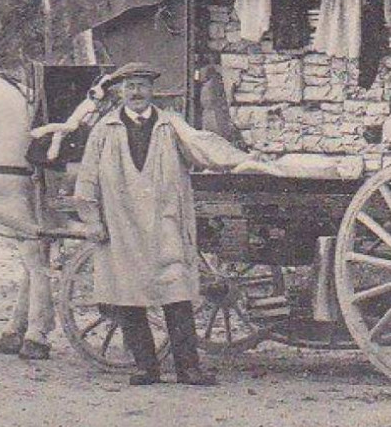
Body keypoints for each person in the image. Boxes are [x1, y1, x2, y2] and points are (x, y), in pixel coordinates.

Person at [74, 63, 275, 386]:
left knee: (177, 296)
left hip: (165, 221)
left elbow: (201, 145)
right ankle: (145, 367)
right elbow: (87, 179)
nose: (136, 92)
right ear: (120, 92)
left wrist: (241, 160)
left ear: (152, 91)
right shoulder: (104, 130)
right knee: (129, 298)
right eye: (130, 87)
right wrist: (93, 220)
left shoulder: (170, 126)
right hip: (121, 225)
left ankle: (188, 368)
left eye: (142, 86)